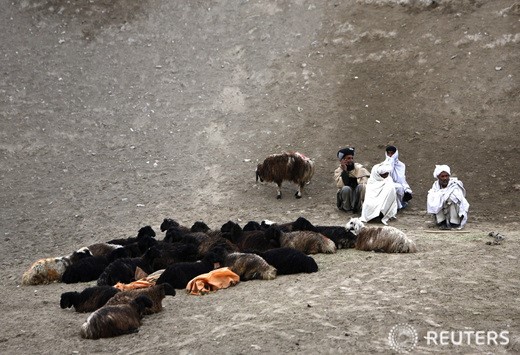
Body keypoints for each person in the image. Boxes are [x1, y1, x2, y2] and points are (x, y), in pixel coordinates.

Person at [427, 165, 470, 229]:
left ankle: (454, 223)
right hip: (442, 210)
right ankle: (442, 222)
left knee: (452, 198)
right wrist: (441, 197)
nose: (445, 178)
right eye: (442, 176)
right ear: (438, 177)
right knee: (436, 198)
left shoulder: (454, 185)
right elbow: (433, 197)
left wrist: (446, 199)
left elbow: (459, 198)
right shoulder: (435, 186)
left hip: (453, 208)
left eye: (446, 176)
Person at [334, 147, 370, 213]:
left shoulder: (359, 168)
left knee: (362, 186)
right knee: (346, 188)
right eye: (348, 158)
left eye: (351, 158)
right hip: (347, 196)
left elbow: (365, 182)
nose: (350, 160)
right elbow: (341, 185)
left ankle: (359, 207)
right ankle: (347, 209)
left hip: (357, 195)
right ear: (342, 160)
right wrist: (345, 171)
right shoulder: (338, 171)